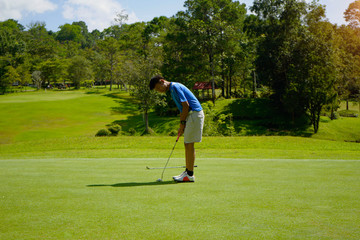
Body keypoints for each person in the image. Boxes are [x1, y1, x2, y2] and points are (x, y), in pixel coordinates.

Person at [149, 75, 205, 182]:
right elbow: (182, 108)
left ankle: (189, 174)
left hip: (194, 114)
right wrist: (182, 124)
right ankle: (188, 172)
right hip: (191, 116)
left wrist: (182, 123)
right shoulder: (172, 88)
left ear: (162, 81)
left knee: (189, 143)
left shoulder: (174, 87)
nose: (159, 91)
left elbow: (186, 105)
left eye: (158, 88)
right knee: (187, 143)